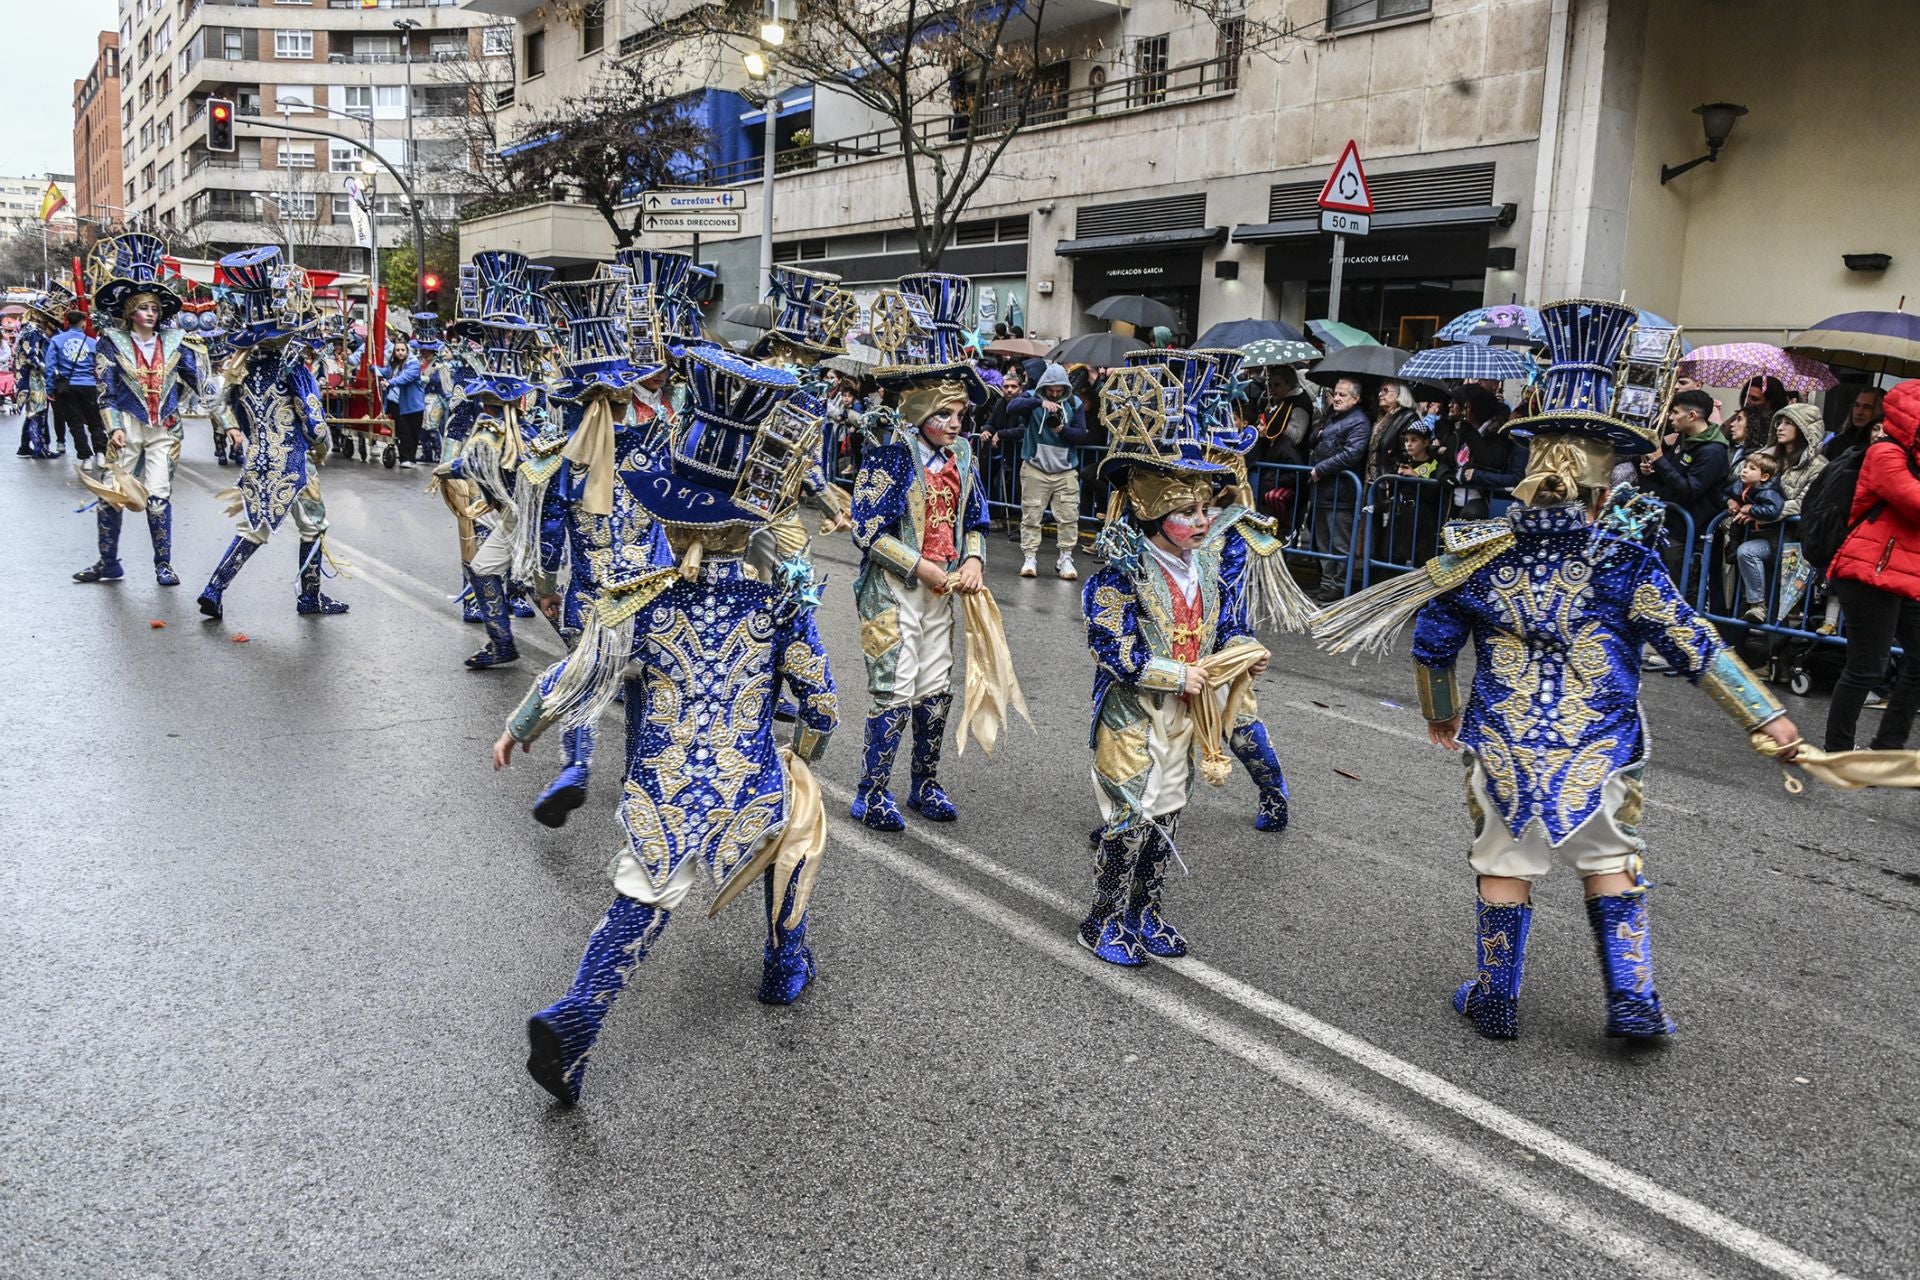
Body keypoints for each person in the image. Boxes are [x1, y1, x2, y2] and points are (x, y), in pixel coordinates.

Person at [1317, 298, 1799, 1043]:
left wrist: (1439, 712)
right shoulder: (1624, 559)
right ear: (1605, 488)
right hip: (1600, 744)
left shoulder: (1479, 553)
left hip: (1505, 739)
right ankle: (1632, 998)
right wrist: (1766, 717)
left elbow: (1433, 644)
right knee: (1609, 860)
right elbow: (1694, 644)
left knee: (1506, 860)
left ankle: (1497, 999)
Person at [492, 347, 839, 1106]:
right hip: (749, 781)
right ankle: (785, 962)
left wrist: (518, 727)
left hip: (664, 786)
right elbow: (823, 706)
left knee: (640, 896)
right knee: (803, 823)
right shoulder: (779, 606)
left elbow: (576, 674)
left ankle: (577, 1018)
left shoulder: (642, 602)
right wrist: (800, 755)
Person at [1079, 363, 1268, 965]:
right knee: (1129, 815)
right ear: (1153, 510)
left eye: (1207, 508)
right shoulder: (1119, 574)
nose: (1204, 521)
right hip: (1134, 715)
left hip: (1188, 715)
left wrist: (1239, 660)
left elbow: (1227, 626)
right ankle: (1102, 920)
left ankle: (1145, 912)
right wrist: (1178, 674)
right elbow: (1113, 650)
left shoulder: (1209, 567)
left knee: (1170, 808)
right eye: (1188, 512)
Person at [521, 274, 672, 828]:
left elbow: (546, 532)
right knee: (640, 682)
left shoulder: (564, 456)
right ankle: (636, 778)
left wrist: (542, 590)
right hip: (652, 587)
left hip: (591, 589)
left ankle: (576, 767)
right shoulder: (659, 446)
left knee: (584, 678)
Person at [848, 362, 991, 831]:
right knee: (895, 685)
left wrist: (972, 560)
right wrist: (923, 567)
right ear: (920, 412)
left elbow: (975, 518)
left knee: (934, 685)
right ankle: (871, 792)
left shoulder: (964, 455)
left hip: (940, 592)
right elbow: (867, 532)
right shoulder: (890, 453)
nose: (955, 424)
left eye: (960, 414)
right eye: (945, 414)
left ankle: (924, 782)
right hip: (893, 590)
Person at [194, 246, 346, 621]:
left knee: (255, 527)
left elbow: (214, 399)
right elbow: (313, 423)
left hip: (258, 458)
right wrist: (323, 447)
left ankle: (215, 587)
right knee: (314, 524)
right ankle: (309, 598)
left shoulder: (242, 371)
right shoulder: (294, 369)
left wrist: (233, 429)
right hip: (294, 461)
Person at [73, 233, 204, 587]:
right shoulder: (111, 344)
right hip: (126, 426)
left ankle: (163, 564)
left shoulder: (178, 343)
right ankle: (108, 562)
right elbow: (106, 391)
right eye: (145, 308)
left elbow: (201, 384)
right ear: (130, 311)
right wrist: (112, 426)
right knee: (112, 494)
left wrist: (229, 419)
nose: (151, 314)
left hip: (165, 427)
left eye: (156, 309)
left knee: (158, 496)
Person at [1823, 381, 1920, 752]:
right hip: (1869, 571)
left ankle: (1888, 747)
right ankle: (1839, 750)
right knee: (1867, 665)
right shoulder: (1884, 453)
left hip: (1906, 574)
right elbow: (1913, 502)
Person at [998, 361, 1088, 580]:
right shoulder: (1032, 398)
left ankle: (1065, 558)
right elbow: (1012, 407)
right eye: (1051, 390)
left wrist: (1062, 429)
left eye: (1059, 391)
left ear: (1065, 389)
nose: (1055, 394)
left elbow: (1082, 435)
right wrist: (1040, 403)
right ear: (1044, 387)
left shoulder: (1074, 404)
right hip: (1035, 467)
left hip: (1065, 470)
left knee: (1068, 517)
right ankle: (1030, 557)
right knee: (1031, 514)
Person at [1638, 387, 1731, 582]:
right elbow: (1672, 476)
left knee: (1676, 586)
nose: (1671, 417)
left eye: (1675, 412)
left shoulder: (1713, 451)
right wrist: (1652, 472)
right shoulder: (1683, 439)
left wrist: (1660, 461)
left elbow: (1689, 490)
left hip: (1688, 531)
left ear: (1692, 415)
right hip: (1666, 522)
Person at [1306, 376, 1371, 602]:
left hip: (1342, 492)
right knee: (1324, 541)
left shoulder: (1359, 421)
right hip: (1324, 491)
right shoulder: (1332, 417)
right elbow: (1313, 440)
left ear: (1356, 398)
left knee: (1340, 543)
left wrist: (1321, 469)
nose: (1337, 398)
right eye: (1336, 393)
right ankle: (1327, 582)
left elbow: (1352, 454)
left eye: (1343, 394)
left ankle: (1338, 585)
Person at [1722, 451, 1786, 621]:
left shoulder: (1769, 491)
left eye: (1751, 468)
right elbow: (1723, 494)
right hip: (1751, 535)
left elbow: (1773, 510)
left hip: (1771, 540)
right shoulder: (1739, 486)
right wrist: (1730, 502)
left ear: (1764, 477)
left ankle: (1758, 604)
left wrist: (1751, 509)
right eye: (1744, 467)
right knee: (1743, 555)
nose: (1744, 470)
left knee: (1746, 552)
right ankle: (1751, 605)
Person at [45, 307, 103, 462]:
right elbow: (100, 366)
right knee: (94, 420)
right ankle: (101, 453)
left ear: (67, 323)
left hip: (67, 386)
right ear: (83, 324)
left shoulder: (57, 340)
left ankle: (86, 458)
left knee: (75, 422)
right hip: (89, 385)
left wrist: (50, 388)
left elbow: (50, 366)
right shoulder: (92, 343)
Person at [1828, 385, 1884, 458]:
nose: (1859, 412)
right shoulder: (1837, 443)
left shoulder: (1883, 444)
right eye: (1857, 405)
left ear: (1882, 410)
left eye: (1867, 407)